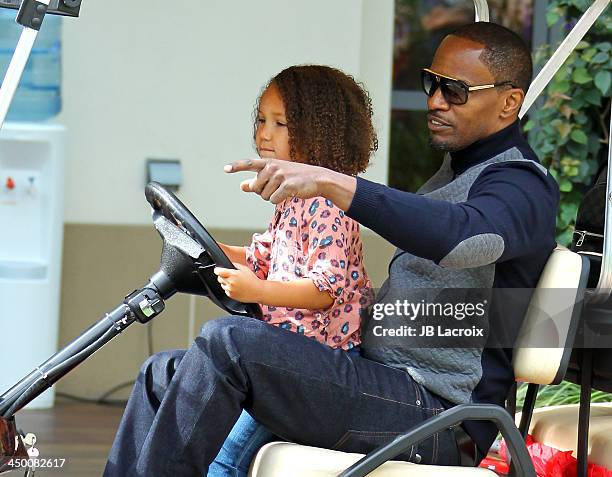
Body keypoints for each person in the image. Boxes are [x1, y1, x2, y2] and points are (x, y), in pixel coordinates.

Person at [104, 22, 559, 477]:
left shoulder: (522, 184)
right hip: (382, 383)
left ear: (509, 102)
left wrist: (330, 181)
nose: (435, 100)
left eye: (456, 90)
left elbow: (462, 239)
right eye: (432, 83)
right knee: (160, 375)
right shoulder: (456, 173)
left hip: (438, 417)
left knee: (231, 343)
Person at [208, 64, 376, 477]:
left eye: (280, 124)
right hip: (286, 355)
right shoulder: (292, 199)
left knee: (224, 460)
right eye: (262, 121)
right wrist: (212, 249)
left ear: (320, 135)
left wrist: (256, 291)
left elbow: (323, 289)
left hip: (317, 365)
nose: (264, 133)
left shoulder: (328, 204)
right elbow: (263, 257)